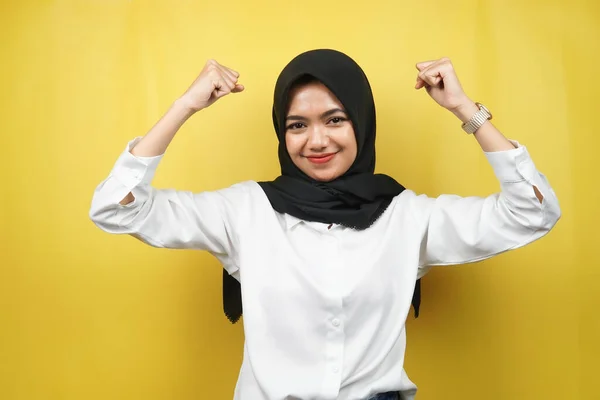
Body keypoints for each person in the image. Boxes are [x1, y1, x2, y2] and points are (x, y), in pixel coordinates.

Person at [89, 49, 561, 400]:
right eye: (297, 125)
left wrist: (466, 110)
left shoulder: (408, 217)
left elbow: (533, 211)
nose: (316, 141)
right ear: (282, 132)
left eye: (335, 119)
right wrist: (184, 106)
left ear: (361, 123)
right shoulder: (245, 212)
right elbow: (116, 207)